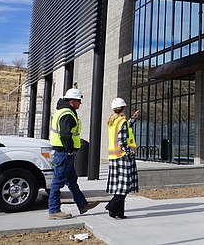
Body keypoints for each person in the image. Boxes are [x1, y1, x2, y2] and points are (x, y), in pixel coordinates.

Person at [48, 86, 100, 219]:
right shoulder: (67, 114)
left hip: (64, 152)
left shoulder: (63, 111)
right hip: (64, 152)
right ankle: (54, 210)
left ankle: (82, 205)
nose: (80, 103)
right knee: (57, 182)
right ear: (72, 101)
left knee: (72, 180)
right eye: (79, 101)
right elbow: (65, 135)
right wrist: (70, 150)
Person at [105, 97, 139, 219]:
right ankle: (111, 207)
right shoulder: (121, 121)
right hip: (123, 157)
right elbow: (122, 140)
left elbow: (123, 130)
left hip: (114, 157)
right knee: (124, 186)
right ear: (123, 108)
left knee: (119, 186)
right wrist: (129, 152)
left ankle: (118, 213)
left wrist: (132, 119)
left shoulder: (113, 121)